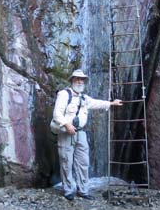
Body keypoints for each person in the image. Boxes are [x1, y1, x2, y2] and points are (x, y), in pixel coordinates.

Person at [52, 69, 123, 200]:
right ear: (72, 80)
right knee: (66, 161)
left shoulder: (84, 98)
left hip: (80, 133)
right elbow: (57, 114)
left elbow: (96, 103)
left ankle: (82, 190)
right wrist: (67, 125)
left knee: (83, 162)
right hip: (66, 132)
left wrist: (112, 103)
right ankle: (68, 190)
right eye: (77, 79)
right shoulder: (64, 94)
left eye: (82, 79)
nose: (79, 81)